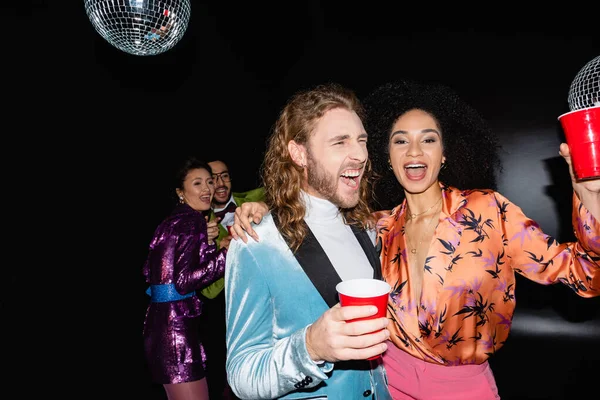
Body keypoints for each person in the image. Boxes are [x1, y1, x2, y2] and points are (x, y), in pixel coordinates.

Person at [231, 80, 600, 399]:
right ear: (388, 159)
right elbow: (313, 213)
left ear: (444, 155)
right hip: (391, 384)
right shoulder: (377, 227)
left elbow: (587, 274)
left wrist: (590, 197)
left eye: (429, 139)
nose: (414, 151)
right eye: (400, 141)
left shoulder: (489, 212)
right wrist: (266, 207)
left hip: (465, 388)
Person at [224, 82, 393, 400]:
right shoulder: (257, 243)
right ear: (299, 153)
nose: (359, 155)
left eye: (361, 141)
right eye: (340, 142)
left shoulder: (366, 229)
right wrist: (310, 348)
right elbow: (242, 376)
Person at [142, 156, 230, 400]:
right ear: (181, 192)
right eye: (197, 184)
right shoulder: (191, 221)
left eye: (209, 182)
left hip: (159, 324)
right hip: (176, 331)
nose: (208, 190)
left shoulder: (172, 221)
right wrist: (226, 254)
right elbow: (183, 282)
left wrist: (209, 245)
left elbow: (149, 272)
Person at [199, 159, 265, 400]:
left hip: (263, 300)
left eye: (224, 176)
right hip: (222, 310)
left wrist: (262, 207)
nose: (219, 183)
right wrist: (221, 253)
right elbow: (207, 291)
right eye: (212, 178)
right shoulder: (198, 223)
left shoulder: (256, 196)